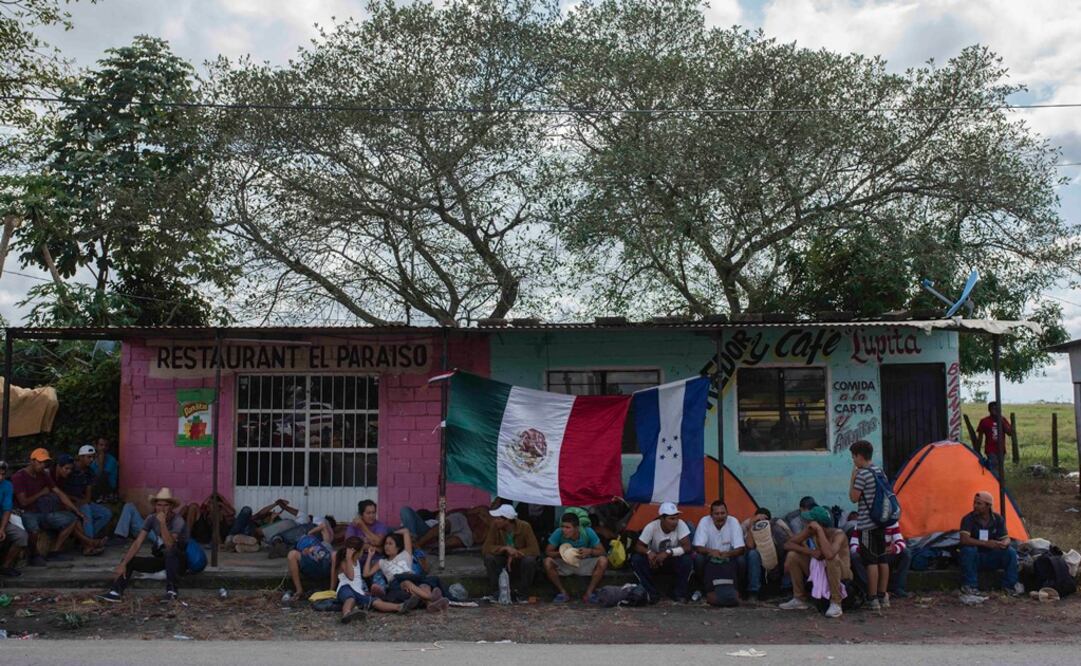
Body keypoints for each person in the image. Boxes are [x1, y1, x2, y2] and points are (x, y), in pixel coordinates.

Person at [98, 488, 189, 602]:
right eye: (159, 505)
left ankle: (172, 592)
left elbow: (170, 545)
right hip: (163, 560)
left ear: (171, 507)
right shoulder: (151, 518)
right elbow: (137, 542)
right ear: (155, 506)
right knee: (130, 561)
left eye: (166, 505)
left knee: (171, 552)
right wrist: (124, 563)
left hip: (179, 562)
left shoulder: (178, 520)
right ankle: (115, 592)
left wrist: (162, 523)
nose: (162, 508)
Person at [778, 505, 851, 619]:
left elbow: (829, 554)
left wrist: (819, 531)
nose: (806, 523)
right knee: (793, 555)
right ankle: (799, 598)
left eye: (810, 521)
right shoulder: (811, 531)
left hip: (841, 574)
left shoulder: (839, 534)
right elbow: (788, 544)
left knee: (832, 559)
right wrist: (811, 552)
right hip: (821, 570)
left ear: (818, 524)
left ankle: (836, 603)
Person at [12, 448, 83, 564]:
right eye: (40, 462)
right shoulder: (19, 476)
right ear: (32, 461)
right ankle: (33, 554)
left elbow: (58, 492)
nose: (42, 465)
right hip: (26, 512)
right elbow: (23, 502)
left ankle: (55, 551)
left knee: (71, 519)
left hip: (43, 511)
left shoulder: (43, 474)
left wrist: (76, 510)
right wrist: (41, 493)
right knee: (33, 529)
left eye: (44, 463)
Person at [335, 537, 419, 623]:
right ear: (356, 552)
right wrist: (348, 558)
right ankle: (346, 614)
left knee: (375, 601)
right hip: (345, 588)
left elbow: (358, 580)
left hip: (358, 593)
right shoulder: (344, 562)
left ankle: (399, 607)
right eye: (362, 551)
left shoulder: (357, 562)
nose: (362, 553)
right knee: (350, 599)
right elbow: (351, 577)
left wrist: (369, 556)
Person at [364, 529, 449, 612]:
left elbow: (405, 531)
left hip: (412, 578)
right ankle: (431, 597)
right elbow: (366, 574)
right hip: (396, 582)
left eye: (390, 544)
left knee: (424, 585)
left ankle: (429, 605)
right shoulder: (382, 562)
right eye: (386, 544)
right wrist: (370, 556)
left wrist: (392, 534)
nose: (387, 546)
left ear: (398, 547)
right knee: (406, 583)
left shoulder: (405, 554)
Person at [849, 439, 889, 611]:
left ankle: (873, 598)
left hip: (867, 524)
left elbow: (853, 498)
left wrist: (853, 478)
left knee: (871, 561)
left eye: (853, 457)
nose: (853, 460)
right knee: (883, 559)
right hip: (881, 522)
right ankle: (883, 596)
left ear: (860, 456)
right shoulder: (880, 471)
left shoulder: (862, 475)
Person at [959, 490, 1022, 596]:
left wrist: (1004, 543)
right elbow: (964, 539)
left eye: (979, 504)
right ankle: (970, 586)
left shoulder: (997, 519)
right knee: (968, 550)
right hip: (976, 557)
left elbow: (1006, 538)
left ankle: (1009, 586)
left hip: (991, 556)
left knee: (1010, 552)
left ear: (988, 506)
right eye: (974, 503)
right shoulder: (968, 519)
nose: (975, 506)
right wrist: (986, 543)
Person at [633, 502, 693, 603]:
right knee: (637, 559)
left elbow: (687, 547)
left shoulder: (681, 524)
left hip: (672, 560)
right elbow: (638, 546)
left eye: (676, 518)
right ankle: (651, 593)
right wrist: (649, 552)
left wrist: (668, 553)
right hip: (654, 561)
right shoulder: (652, 527)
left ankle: (679, 593)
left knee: (687, 560)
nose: (675, 522)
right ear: (662, 518)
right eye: (671, 519)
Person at [543, 511, 608, 604]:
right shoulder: (558, 532)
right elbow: (548, 552)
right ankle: (563, 592)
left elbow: (602, 551)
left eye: (568, 527)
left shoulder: (588, 532)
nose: (564, 530)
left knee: (603, 561)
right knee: (547, 561)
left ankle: (589, 593)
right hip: (566, 563)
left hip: (583, 562)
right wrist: (561, 553)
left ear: (576, 528)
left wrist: (590, 551)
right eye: (563, 527)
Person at [49, 455, 107, 556]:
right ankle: (90, 543)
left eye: (70, 469)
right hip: (49, 509)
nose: (69, 471)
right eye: (66, 468)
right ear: (58, 466)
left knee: (77, 520)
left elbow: (63, 495)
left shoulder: (63, 478)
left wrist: (75, 508)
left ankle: (88, 545)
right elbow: (58, 495)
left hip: (61, 506)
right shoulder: (49, 476)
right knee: (74, 519)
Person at [482, 503, 540, 600]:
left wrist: (515, 553)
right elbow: (486, 548)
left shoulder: (525, 527)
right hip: (503, 558)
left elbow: (534, 549)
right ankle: (496, 592)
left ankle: (522, 593)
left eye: (498, 519)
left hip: (519, 559)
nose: (495, 521)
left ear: (507, 520)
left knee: (530, 561)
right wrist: (504, 548)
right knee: (489, 558)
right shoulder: (495, 526)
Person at [693, 500, 747, 603]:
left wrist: (727, 554)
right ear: (711, 515)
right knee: (698, 559)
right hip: (709, 557)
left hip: (729, 557)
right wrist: (711, 551)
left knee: (741, 560)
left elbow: (740, 548)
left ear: (727, 513)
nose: (720, 516)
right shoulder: (705, 521)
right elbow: (698, 547)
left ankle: (737, 589)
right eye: (716, 514)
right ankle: (703, 587)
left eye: (723, 513)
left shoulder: (733, 521)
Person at [848, 520, 911, 599]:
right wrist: (866, 550)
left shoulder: (891, 521)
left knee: (905, 553)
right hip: (867, 555)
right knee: (855, 557)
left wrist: (894, 548)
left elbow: (901, 542)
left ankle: (897, 588)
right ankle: (869, 590)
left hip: (885, 554)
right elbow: (853, 546)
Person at [740, 506, 786, 600]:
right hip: (755, 561)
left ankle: (786, 589)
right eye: (758, 520)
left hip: (772, 559)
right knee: (753, 554)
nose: (761, 523)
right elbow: (750, 545)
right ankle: (753, 592)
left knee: (788, 553)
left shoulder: (774, 527)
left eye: (764, 520)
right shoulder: (748, 525)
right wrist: (752, 525)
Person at [68, 446, 114, 540]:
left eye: (93, 457)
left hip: (82, 502)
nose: (91, 459)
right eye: (89, 457)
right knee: (86, 510)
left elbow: (88, 495)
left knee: (106, 513)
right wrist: (77, 502)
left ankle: (87, 539)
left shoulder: (89, 472)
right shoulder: (70, 469)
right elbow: (62, 490)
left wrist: (84, 502)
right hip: (69, 502)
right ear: (81, 457)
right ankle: (89, 543)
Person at [283, 531, 335, 604]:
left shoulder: (325, 545)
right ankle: (299, 590)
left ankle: (331, 590)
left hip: (326, 566)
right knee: (291, 554)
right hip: (311, 565)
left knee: (333, 554)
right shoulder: (301, 546)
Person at [0, 460, 29, 576]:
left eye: (2, 474)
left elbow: (7, 509)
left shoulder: (7, 485)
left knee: (21, 536)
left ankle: (6, 566)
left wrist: (2, 529)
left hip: (2, 520)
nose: (0, 477)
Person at [976, 402, 1012, 474]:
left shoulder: (1002, 419)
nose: (995, 410)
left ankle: (999, 480)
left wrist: (1002, 421)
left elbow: (1009, 433)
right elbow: (980, 437)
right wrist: (978, 450)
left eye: (997, 409)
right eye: (993, 409)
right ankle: (995, 480)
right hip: (990, 449)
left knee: (1000, 468)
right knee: (994, 467)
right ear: (989, 410)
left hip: (1001, 449)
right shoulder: (984, 421)